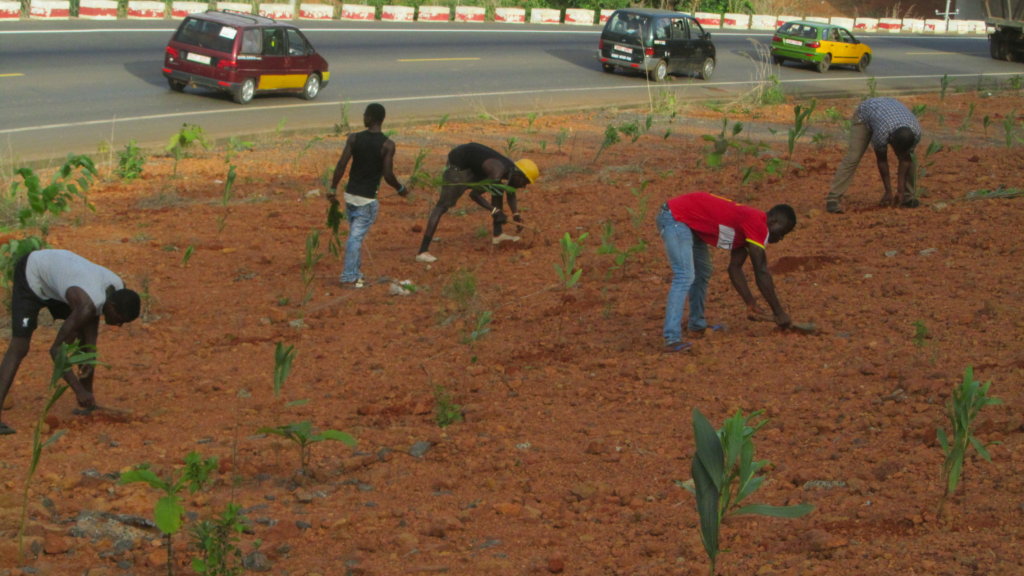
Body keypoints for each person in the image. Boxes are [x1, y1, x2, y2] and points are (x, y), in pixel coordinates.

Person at [0, 249, 141, 435]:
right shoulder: (87, 304)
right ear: (112, 306)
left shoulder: (117, 287)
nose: (120, 325)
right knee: (20, 346)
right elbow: (56, 351)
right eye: (120, 319)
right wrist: (78, 390)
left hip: (59, 284)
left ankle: (88, 403)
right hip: (32, 275)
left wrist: (87, 393)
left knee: (87, 340)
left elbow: (89, 345)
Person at [657, 192, 795, 352]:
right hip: (675, 217)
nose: (781, 238)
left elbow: (735, 269)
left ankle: (696, 325)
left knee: (702, 272)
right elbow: (761, 271)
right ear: (774, 221)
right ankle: (672, 338)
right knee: (684, 275)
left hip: (691, 224)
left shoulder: (747, 231)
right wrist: (779, 313)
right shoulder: (758, 223)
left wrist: (750, 303)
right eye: (783, 232)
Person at [415, 143, 539, 263]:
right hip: (459, 165)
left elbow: (510, 191)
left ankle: (498, 235)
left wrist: (516, 214)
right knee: (442, 206)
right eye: (525, 183)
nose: (524, 187)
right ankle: (422, 251)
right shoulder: (498, 171)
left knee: (498, 188)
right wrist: (495, 211)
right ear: (519, 175)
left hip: (473, 164)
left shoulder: (511, 169)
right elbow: (474, 194)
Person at [328, 103, 406, 287]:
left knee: (355, 236)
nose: (363, 118)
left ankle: (354, 273)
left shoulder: (354, 138)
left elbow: (341, 165)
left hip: (350, 196)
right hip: (367, 200)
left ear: (372, 118)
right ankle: (349, 276)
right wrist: (401, 189)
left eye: (365, 115)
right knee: (355, 238)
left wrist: (332, 188)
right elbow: (388, 174)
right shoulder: (387, 145)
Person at [826, 97, 921, 214]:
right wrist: (888, 191)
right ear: (891, 139)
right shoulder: (883, 133)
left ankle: (908, 197)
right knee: (853, 156)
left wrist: (900, 191)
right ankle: (833, 198)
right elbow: (882, 161)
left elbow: (905, 160)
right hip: (865, 115)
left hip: (887, 114)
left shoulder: (915, 132)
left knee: (911, 158)